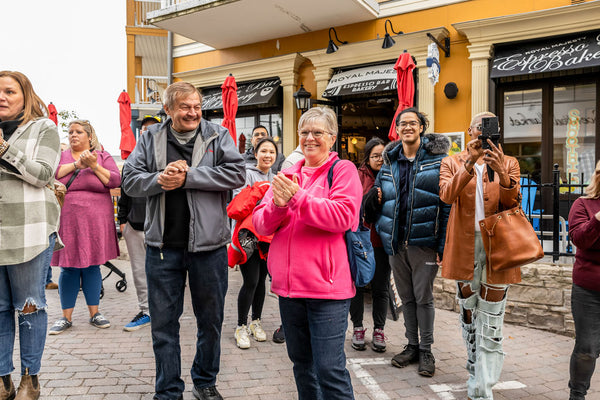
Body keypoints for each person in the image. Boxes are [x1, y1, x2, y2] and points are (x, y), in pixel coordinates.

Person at [122, 81, 245, 400]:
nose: (192, 113)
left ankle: (205, 381)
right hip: (162, 250)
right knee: (163, 326)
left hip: (210, 248)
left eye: (197, 106)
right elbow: (130, 181)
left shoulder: (218, 135)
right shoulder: (149, 138)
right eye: (184, 107)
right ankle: (168, 390)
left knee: (211, 321)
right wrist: (160, 180)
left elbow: (236, 174)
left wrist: (189, 177)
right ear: (168, 110)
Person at [253, 106, 362, 400]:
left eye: (317, 132)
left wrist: (297, 198)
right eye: (304, 132)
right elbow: (260, 222)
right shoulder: (287, 174)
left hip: (327, 290)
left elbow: (342, 216)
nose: (309, 138)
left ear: (332, 137)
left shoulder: (343, 171)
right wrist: (277, 205)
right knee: (302, 366)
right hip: (289, 290)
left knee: (329, 369)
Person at [439, 111, 521, 400]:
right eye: (480, 127)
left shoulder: (508, 162)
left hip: (498, 246)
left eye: (491, 127)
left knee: (491, 317)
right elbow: (447, 196)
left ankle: (482, 388)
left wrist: (501, 171)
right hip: (463, 246)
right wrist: (470, 162)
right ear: (470, 131)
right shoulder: (451, 161)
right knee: (470, 312)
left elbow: (513, 202)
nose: (484, 133)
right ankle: (476, 369)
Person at [364, 108, 450, 377]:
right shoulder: (389, 162)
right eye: (403, 124)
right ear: (398, 129)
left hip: (424, 242)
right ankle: (412, 345)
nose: (408, 127)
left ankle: (426, 350)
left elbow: (447, 206)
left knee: (424, 298)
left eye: (413, 123)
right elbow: (379, 198)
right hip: (395, 243)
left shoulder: (438, 161)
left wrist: (443, 244)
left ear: (422, 127)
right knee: (407, 298)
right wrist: (379, 223)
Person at [0, 70, 62, 400]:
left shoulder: (44, 128)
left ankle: (29, 379)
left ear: (25, 96)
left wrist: (4, 149)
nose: (2, 97)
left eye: (9, 91)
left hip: (29, 233)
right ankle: (1, 379)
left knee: (28, 306)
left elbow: (42, 175)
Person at [49, 120, 121, 335]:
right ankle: (65, 317)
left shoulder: (102, 156)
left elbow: (115, 181)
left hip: (95, 220)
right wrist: (76, 165)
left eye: (79, 132)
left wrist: (94, 166)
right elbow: (51, 174)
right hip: (67, 219)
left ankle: (95, 313)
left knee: (92, 265)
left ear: (90, 136)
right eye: (70, 132)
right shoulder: (60, 156)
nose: (73, 135)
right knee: (69, 267)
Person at [228, 138, 277, 349]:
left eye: (272, 152)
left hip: (269, 239)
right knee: (250, 281)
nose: (267, 155)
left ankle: (256, 321)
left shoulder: (278, 177)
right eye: (263, 151)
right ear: (255, 154)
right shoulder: (245, 174)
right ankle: (241, 325)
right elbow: (238, 205)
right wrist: (262, 191)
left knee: (262, 282)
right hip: (249, 237)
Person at [117, 115, 159, 332]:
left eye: (154, 129)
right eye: (145, 130)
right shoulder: (132, 161)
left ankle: (162, 312)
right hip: (135, 225)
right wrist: (122, 222)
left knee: (162, 273)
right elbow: (124, 194)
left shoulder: (165, 158)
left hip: (161, 228)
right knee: (139, 273)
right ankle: (146, 311)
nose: (148, 133)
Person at [349, 137, 391, 353]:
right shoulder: (357, 176)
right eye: (375, 156)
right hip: (362, 240)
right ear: (367, 157)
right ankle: (357, 327)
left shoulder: (392, 174)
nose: (379, 160)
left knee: (380, 288)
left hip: (383, 241)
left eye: (382, 156)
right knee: (357, 285)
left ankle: (379, 330)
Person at [567, 161, 600, 400]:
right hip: (589, 290)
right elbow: (580, 239)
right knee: (587, 348)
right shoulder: (583, 204)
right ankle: (577, 395)